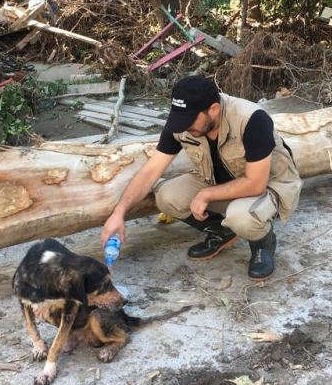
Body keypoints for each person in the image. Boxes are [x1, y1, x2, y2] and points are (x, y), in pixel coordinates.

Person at [101, 75, 301, 280]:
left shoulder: (252, 119)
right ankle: (222, 232)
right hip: (218, 181)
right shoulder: (182, 122)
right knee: (167, 196)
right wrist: (119, 214)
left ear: (213, 109)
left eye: (190, 120)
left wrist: (207, 193)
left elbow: (256, 184)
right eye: (180, 119)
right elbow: (150, 172)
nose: (184, 127)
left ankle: (263, 243)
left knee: (242, 218)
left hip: (267, 186)